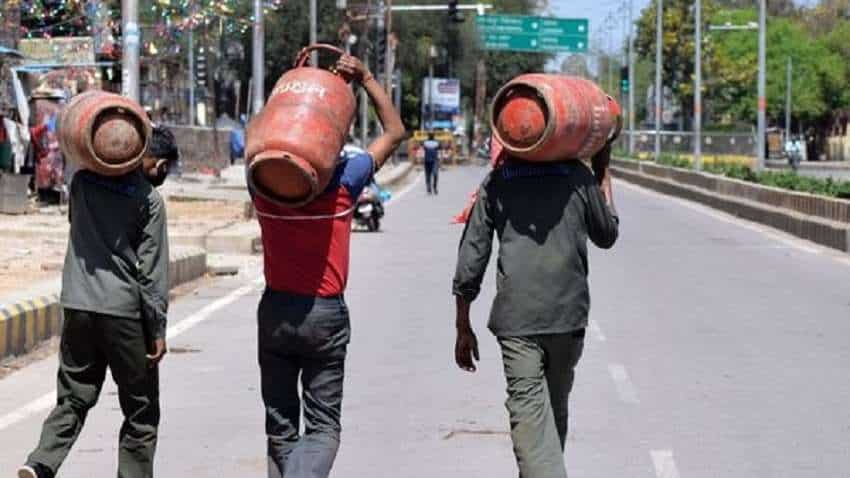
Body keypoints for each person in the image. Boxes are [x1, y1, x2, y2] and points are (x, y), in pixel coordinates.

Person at [250, 53, 404, 478]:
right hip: (324, 314)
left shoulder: (261, 185)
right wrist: (367, 79)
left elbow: (257, 139)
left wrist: (289, 94)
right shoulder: (343, 184)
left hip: (276, 312)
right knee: (322, 428)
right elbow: (394, 132)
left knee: (280, 429)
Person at [18, 125, 180, 478]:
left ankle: (40, 463)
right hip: (123, 313)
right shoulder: (148, 200)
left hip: (77, 305)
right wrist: (157, 329)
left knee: (73, 397)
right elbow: (151, 274)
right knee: (141, 411)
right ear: (157, 163)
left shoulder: (81, 184)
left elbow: (78, 226)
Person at [451, 139, 620, 478]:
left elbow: (472, 259)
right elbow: (607, 234)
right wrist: (602, 169)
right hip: (568, 318)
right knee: (551, 415)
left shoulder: (498, 182)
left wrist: (463, 325)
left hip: (518, 321)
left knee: (530, 418)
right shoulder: (578, 177)